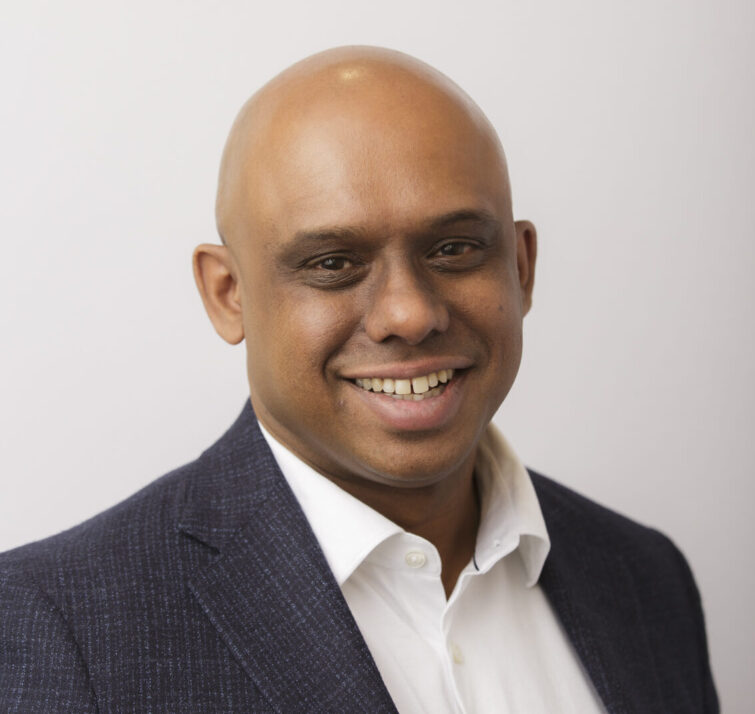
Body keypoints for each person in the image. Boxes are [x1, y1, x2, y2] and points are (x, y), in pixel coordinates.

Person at [0, 46, 718, 713]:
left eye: (455, 248)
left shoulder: (644, 578)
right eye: (333, 262)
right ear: (229, 294)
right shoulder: (55, 626)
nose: (409, 313)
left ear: (522, 267)